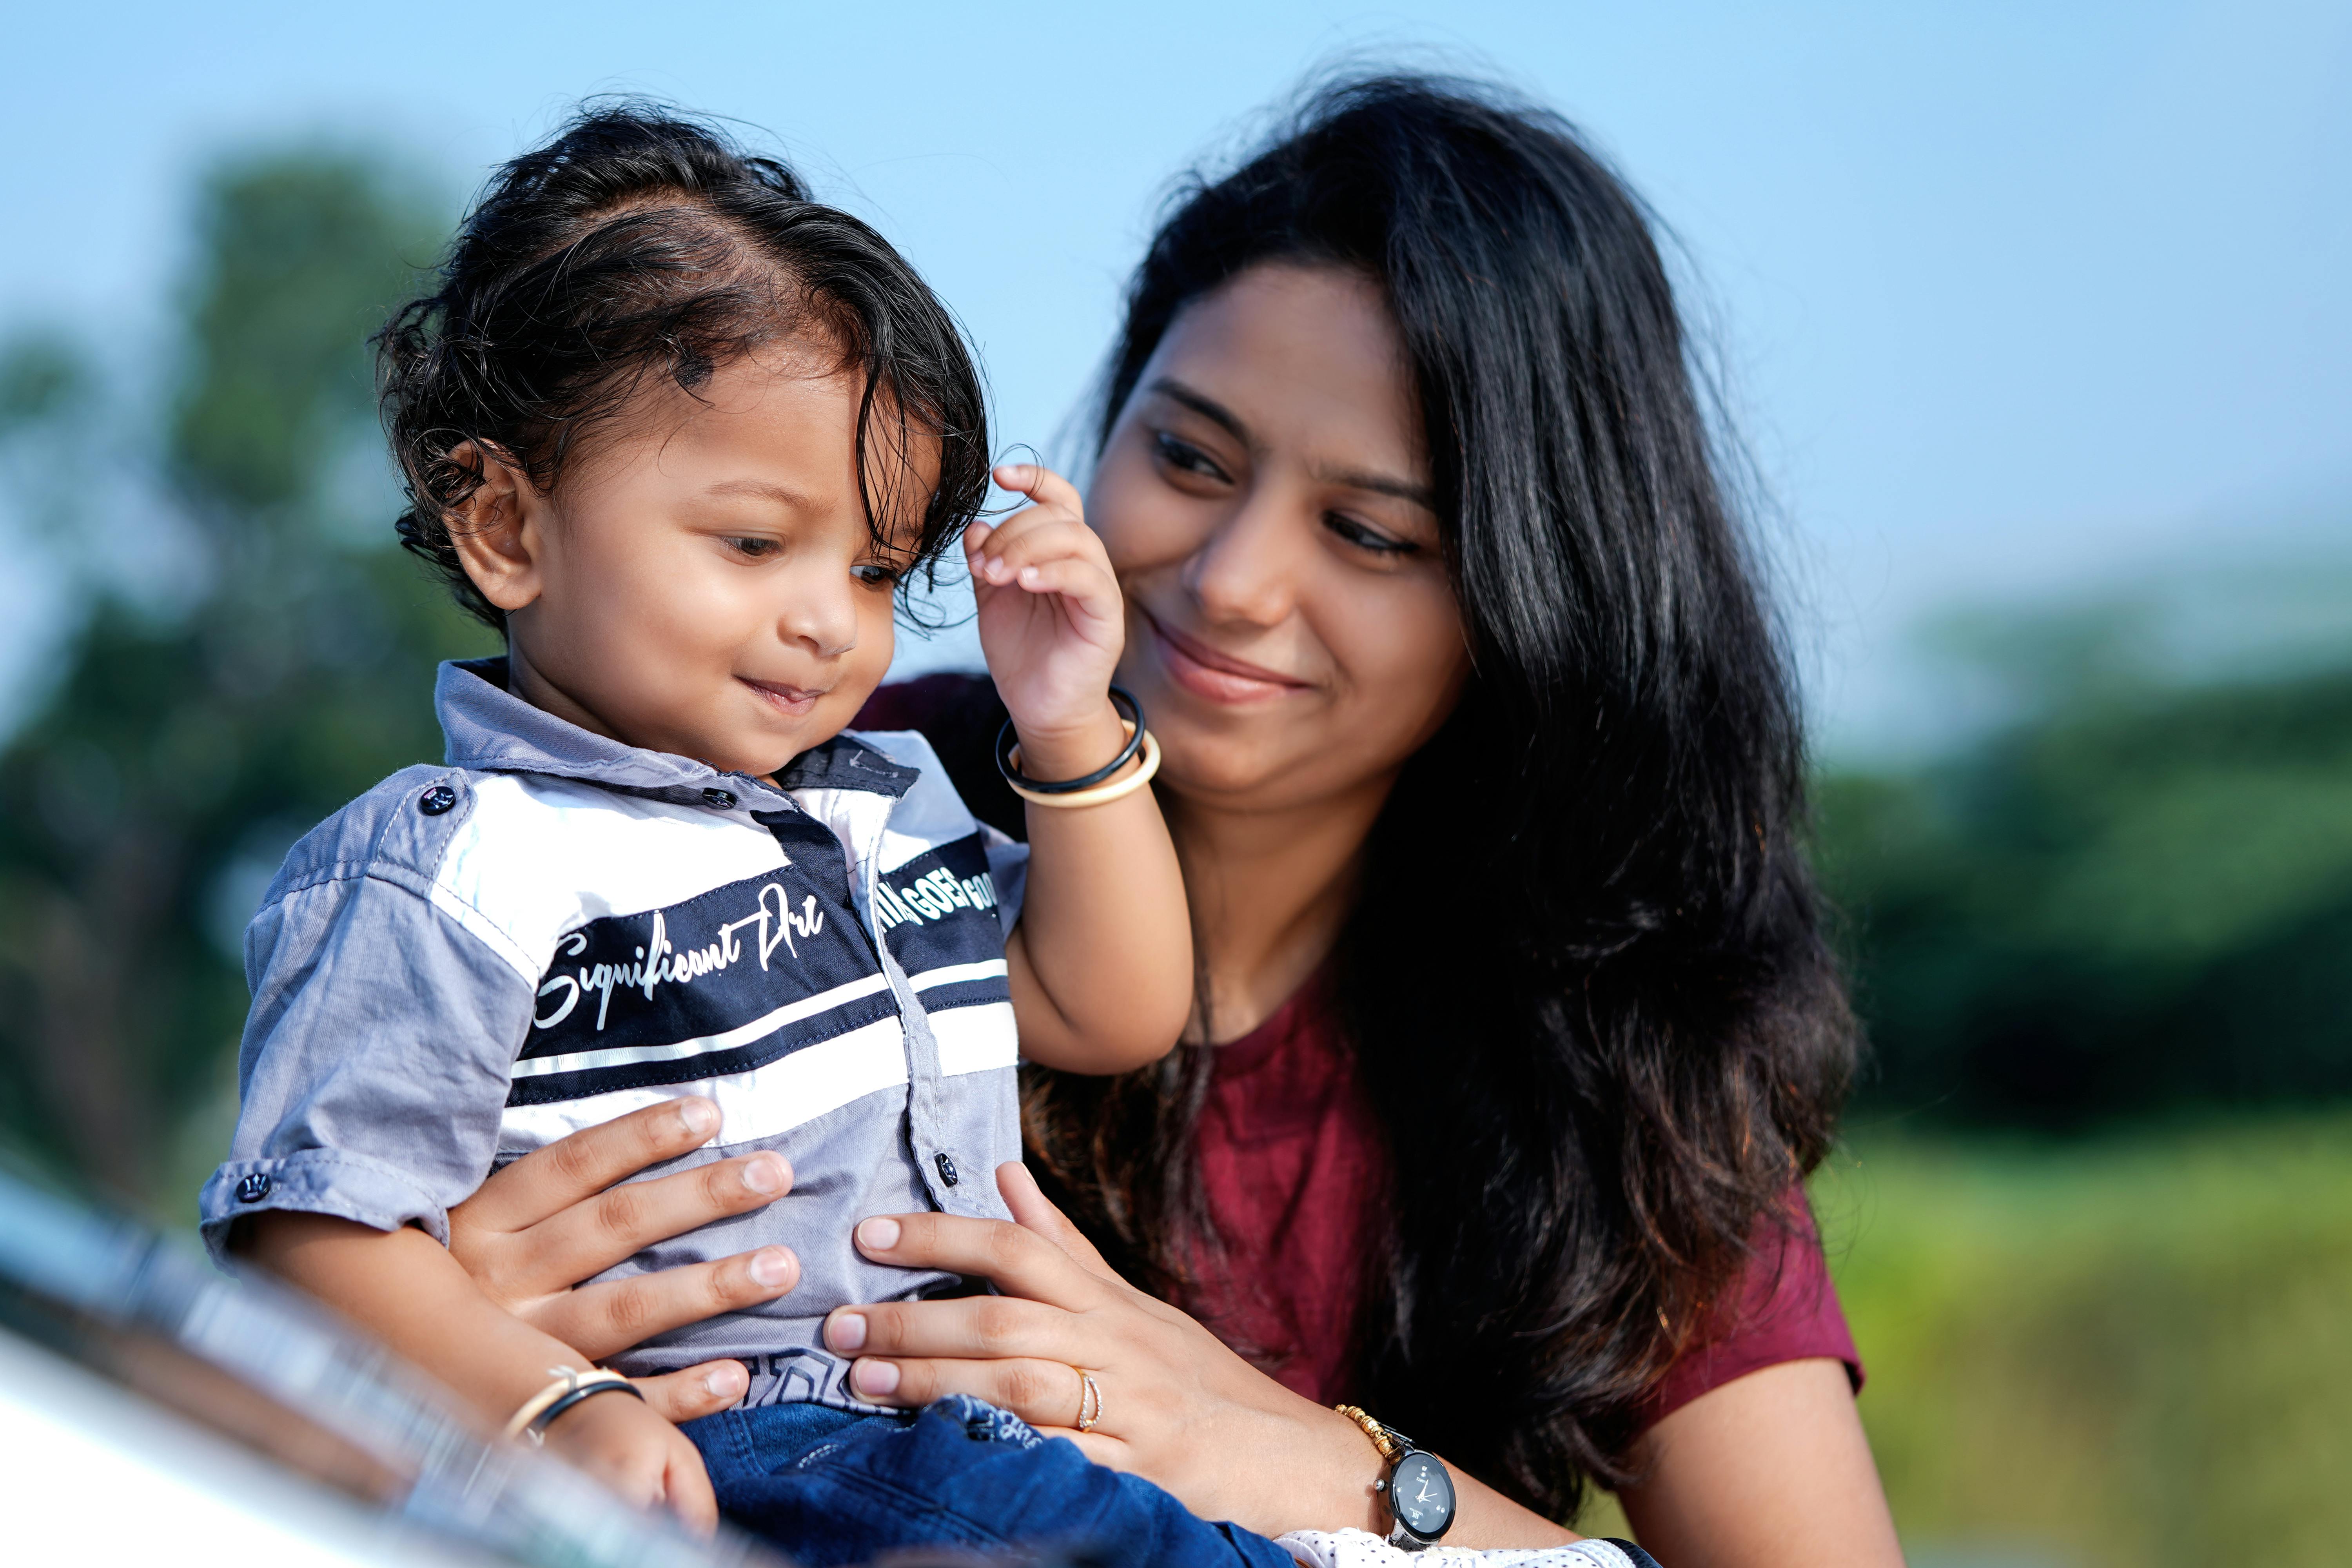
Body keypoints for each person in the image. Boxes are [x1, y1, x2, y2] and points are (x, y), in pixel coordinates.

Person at [427, 75, 1906, 1568]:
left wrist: (1307, 1462)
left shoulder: (1619, 1042)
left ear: (1532, 600)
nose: (1237, 578)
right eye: (1191, 459)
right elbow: (315, 1284)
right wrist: (452, 1341)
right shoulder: (819, 796)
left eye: (1372, 533)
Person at [200, 103, 1225, 1552]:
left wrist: (1065, 721)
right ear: (505, 526)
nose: (825, 618)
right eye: (754, 543)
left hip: (967, 1439)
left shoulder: (882, 801)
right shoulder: (458, 866)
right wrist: (549, 1407)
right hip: (737, 1440)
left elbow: (1107, 1004)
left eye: (875, 569)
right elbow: (304, 1229)